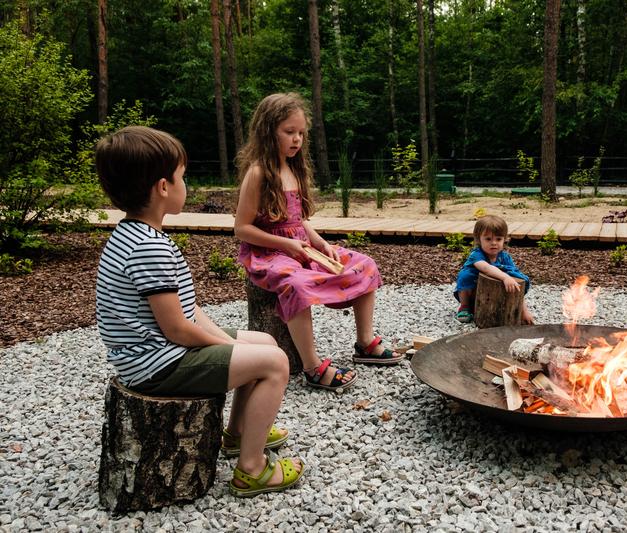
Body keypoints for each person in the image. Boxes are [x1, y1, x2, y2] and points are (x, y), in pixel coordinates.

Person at [94, 126, 304, 498]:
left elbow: (189, 310)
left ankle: (238, 434)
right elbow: (178, 329)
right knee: (275, 363)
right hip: (157, 366)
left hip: (158, 352)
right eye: (182, 176)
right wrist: (226, 346)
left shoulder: (133, 235)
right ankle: (252, 470)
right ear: (162, 187)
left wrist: (228, 343)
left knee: (265, 341)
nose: (184, 184)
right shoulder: (149, 249)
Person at [234, 92, 404, 392]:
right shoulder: (258, 173)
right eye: (289, 132)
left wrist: (322, 244)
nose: (297, 139)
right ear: (267, 131)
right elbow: (242, 229)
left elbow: (298, 222)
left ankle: (364, 342)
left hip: (300, 246)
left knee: (364, 264)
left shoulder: (293, 168)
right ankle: (312, 367)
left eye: (301, 133)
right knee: (297, 286)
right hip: (269, 253)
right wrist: (286, 245)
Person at [454, 214, 535, 324]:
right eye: (488, 239)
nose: (494, 243)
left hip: (493, 297)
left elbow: (517, 282)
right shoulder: (476, 255)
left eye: (498, 239)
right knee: (465, 275)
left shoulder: (505, 257)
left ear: (504, 239)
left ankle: (511, 307)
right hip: (473, 291)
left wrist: (524, 311)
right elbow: (486, 268)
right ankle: (464, 306)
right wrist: (505, 277)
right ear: (479, 239)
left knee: (517, 278)